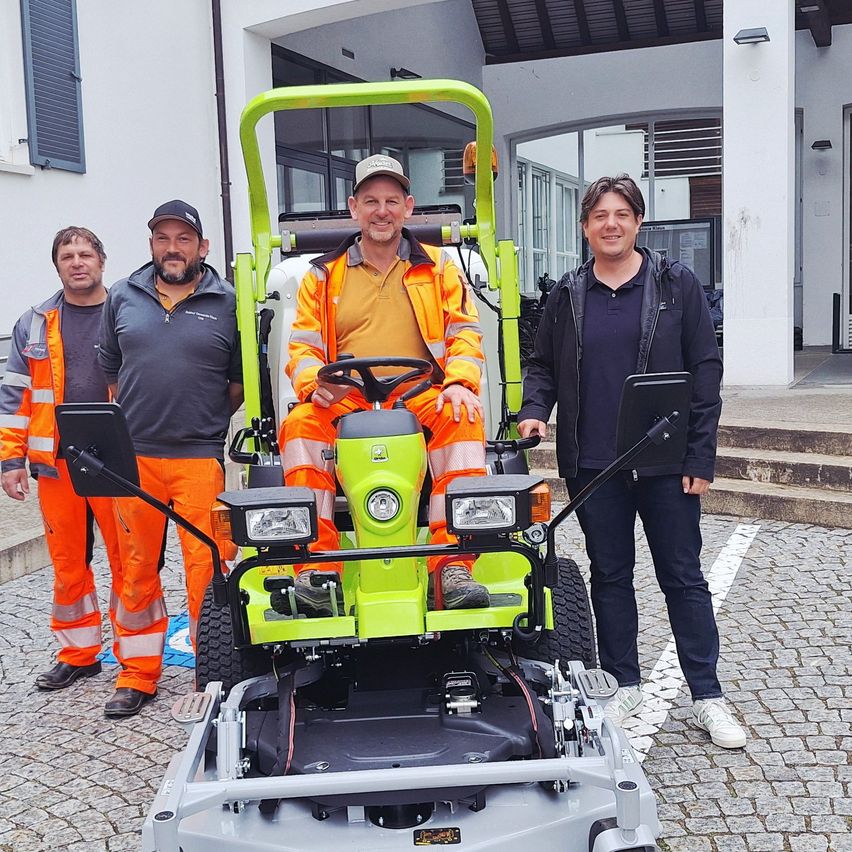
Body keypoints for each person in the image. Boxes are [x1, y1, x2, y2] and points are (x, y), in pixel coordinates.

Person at [518, 174, 746, 749]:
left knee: (683, 576)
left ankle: (707, 695)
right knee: (610, 575)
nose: (611, 224)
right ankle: (624, 684)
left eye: (621, 214)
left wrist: (701, 455)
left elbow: (706, 370)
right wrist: (534, 411)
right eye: (600, 216)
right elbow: (541, 364)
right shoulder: (567, 294)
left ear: (639, 222)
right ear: (585, 227)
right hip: (594, 463)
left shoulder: (676, 285)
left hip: (666, 460)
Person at [281, 154, 488, 613]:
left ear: (408, 207)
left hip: (420, 393)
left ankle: (452, 564)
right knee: (299, 426)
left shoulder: (439, 268)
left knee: (462, 416)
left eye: (392, 201)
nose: (382, 211)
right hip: (347, 396)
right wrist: (314, 383)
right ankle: (316, 567)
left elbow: (464, 332)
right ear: (353, 207)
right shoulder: (322, 275)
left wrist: (459, 383)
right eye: (371, 201)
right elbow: (303, 346)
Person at [98, 200, 243, 717]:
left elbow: (236, 384)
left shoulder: (228, 301)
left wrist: (201, 421)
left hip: (199, 458)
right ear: (151, 244)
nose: (172, 248)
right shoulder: (122, 296)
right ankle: (137, 674)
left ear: (203, 247)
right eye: (163, 238)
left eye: (184, 239)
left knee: (208, 567)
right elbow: (112, 372)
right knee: (135, 567)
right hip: (134, 458)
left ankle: (213, 673)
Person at [0, 227, 124, 691]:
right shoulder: (34, 323)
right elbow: (14, 397)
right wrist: (10, 461)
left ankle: (136, 663)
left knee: (129, 563)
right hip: (57, 462)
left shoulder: (126, 313)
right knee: (68, 564)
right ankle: (78, 654)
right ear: (57, 266)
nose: (77, 262)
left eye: (85, 254)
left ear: (101, 260)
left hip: (116, 460)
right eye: (67, 256)